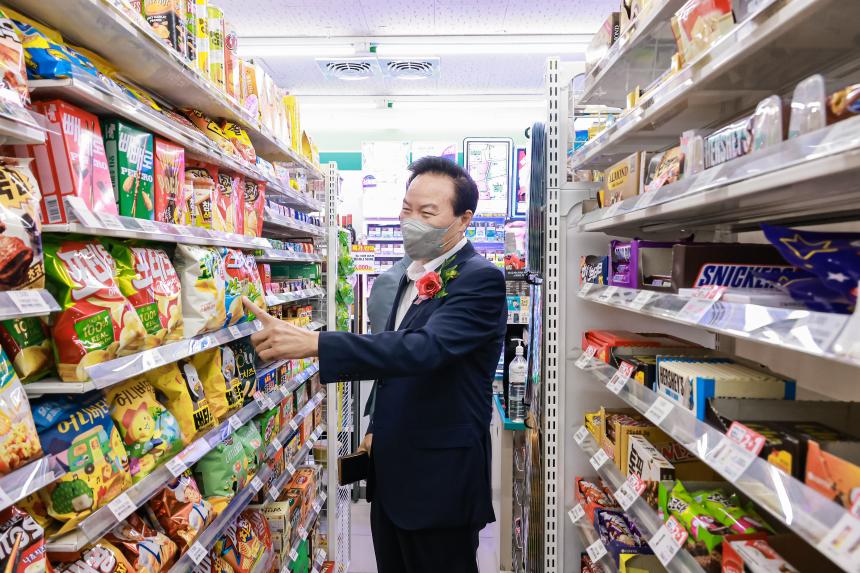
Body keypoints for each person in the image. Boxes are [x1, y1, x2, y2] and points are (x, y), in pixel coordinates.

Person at [243, 156, 507, 573]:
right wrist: (374, 427)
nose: (411, 221)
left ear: (464, 220)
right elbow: (393, 364)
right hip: (392, 476)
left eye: (427, 213)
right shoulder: (409, 275)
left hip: (440, 482)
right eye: (406, 209)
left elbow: (424, 349)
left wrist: (316, 343)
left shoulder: (480, 279)